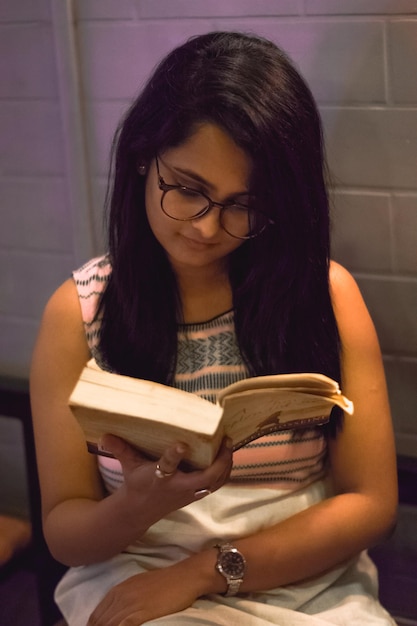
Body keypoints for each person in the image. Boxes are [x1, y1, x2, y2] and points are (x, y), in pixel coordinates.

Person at [30, 31, 398, 626]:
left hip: (302, 579)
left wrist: (204, 571)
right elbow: (67, 535)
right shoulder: (78, 313)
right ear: (144, 160)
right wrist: (139, 505)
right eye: (189, 190)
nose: (207, 227)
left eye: (242, 204)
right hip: (134, 573)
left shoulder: (324, 295)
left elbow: (371, 504)